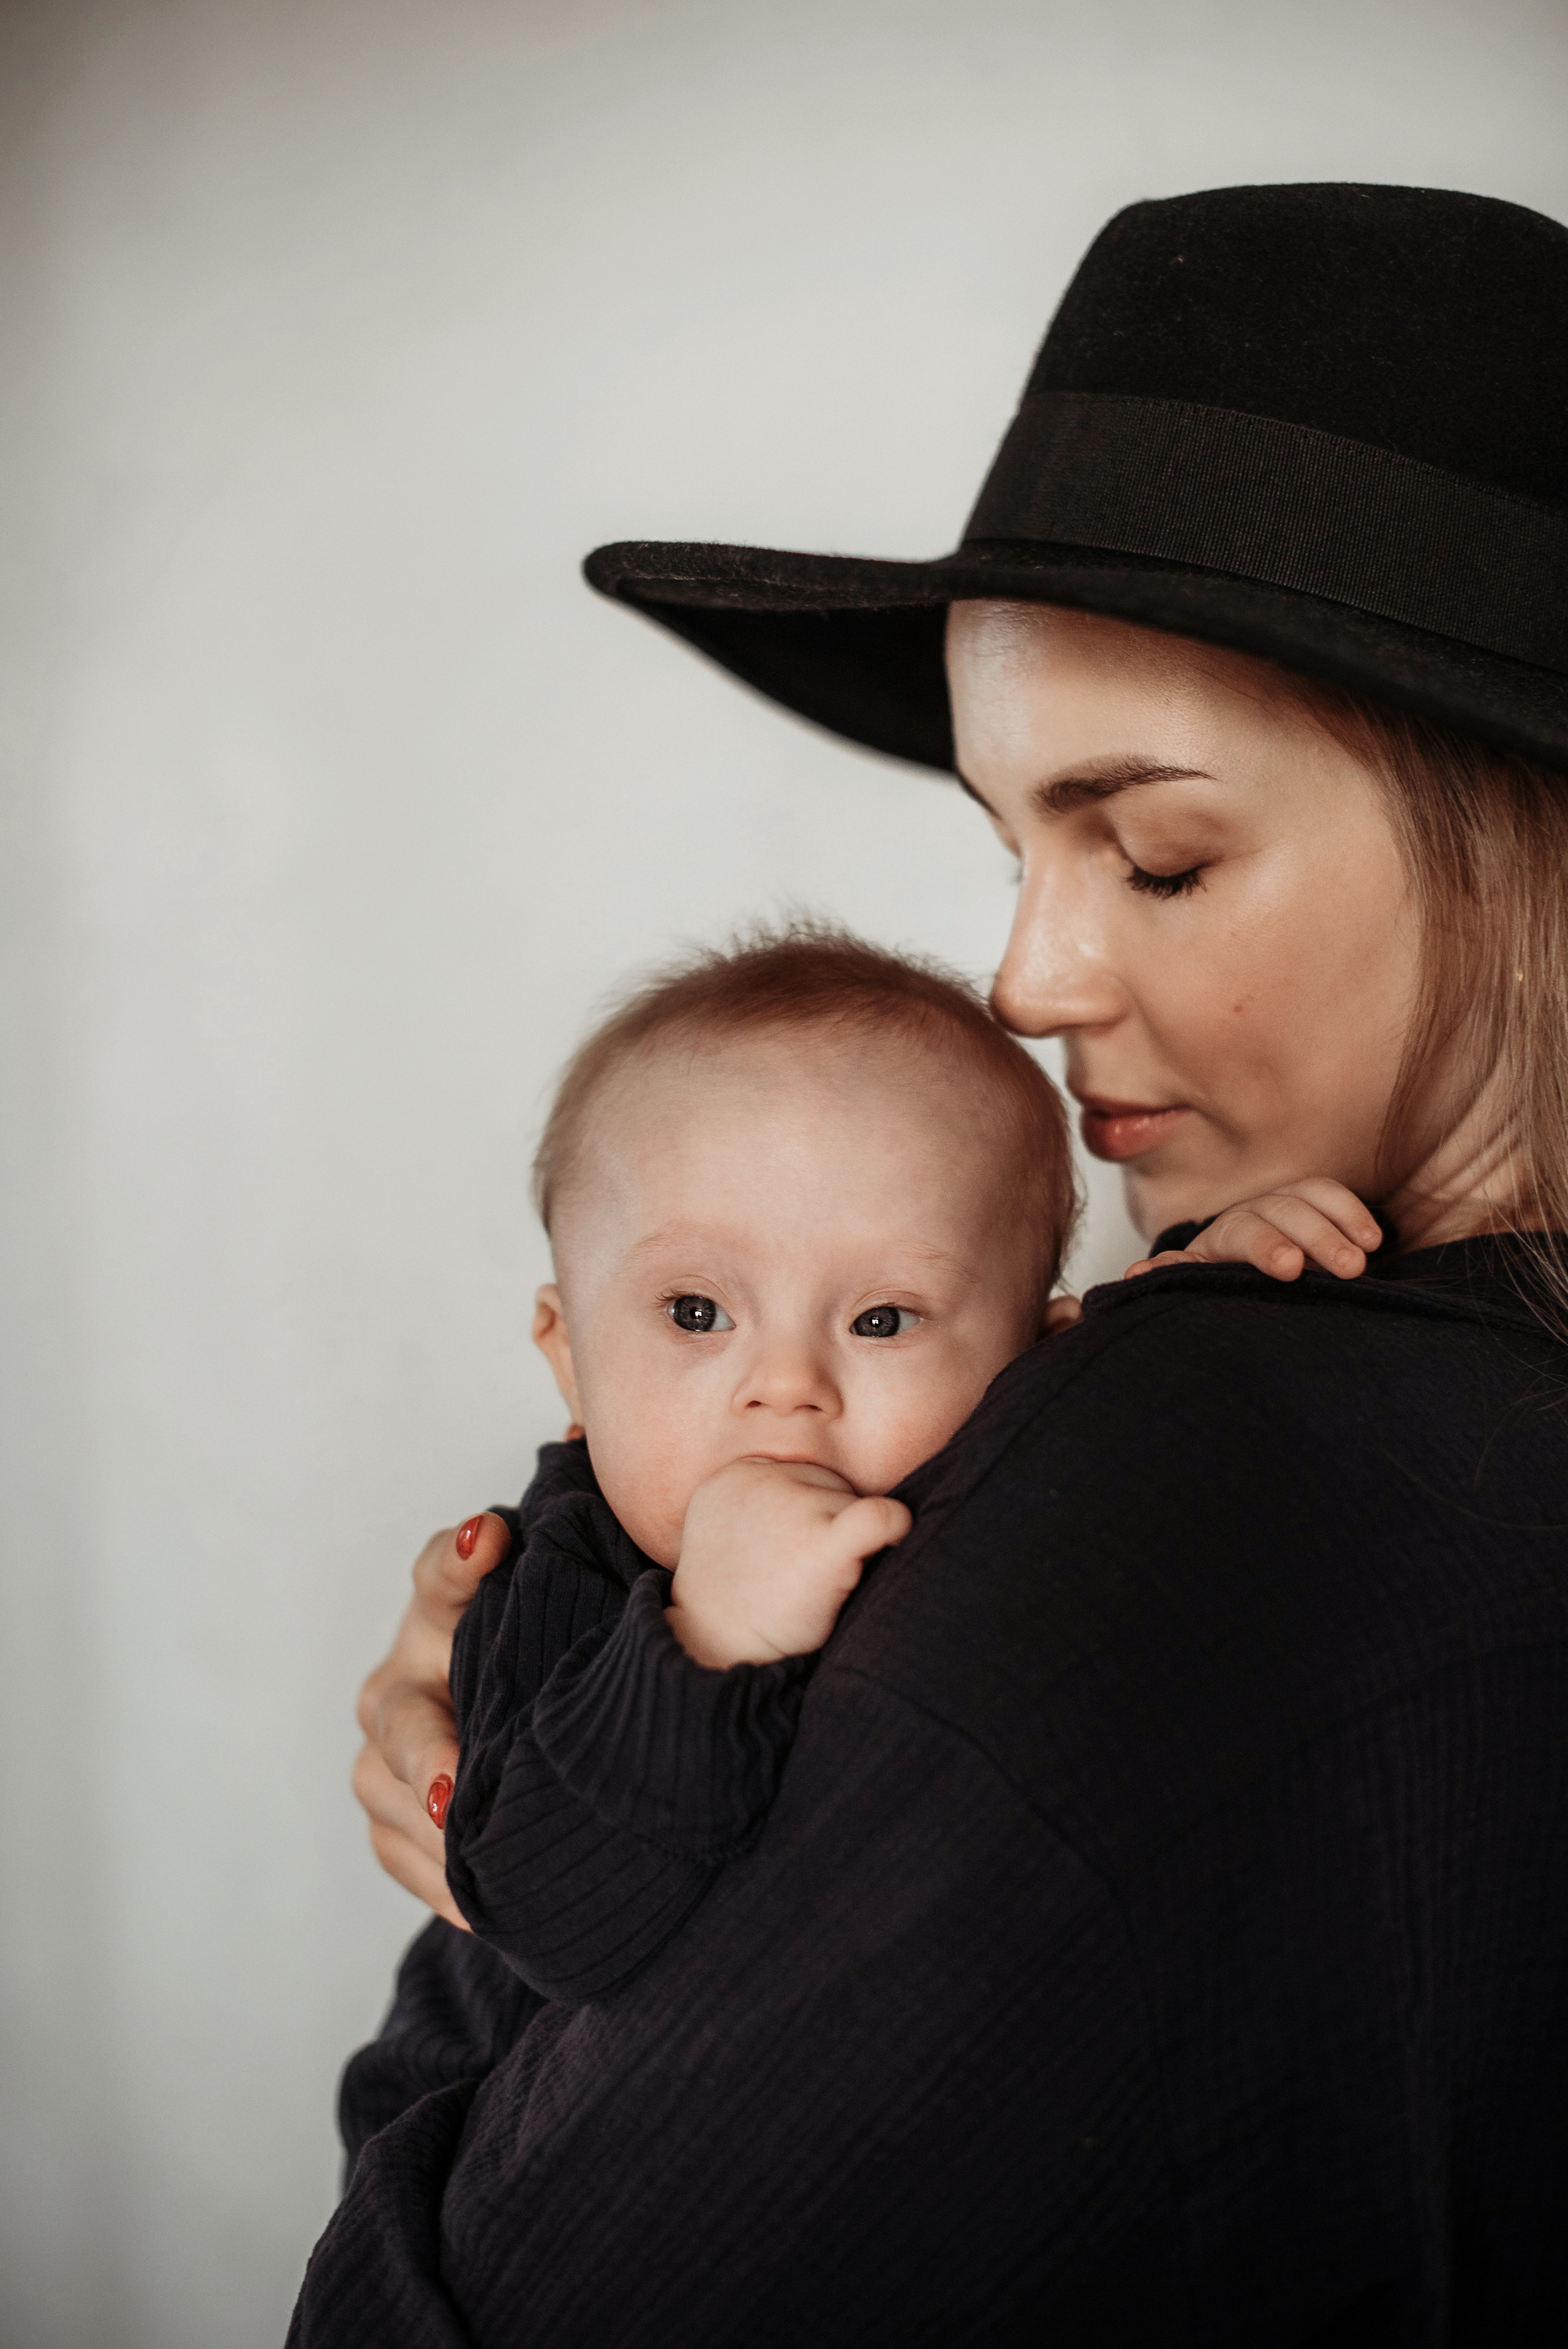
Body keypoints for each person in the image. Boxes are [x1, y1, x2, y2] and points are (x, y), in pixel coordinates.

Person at [295, 183, 1568, 2343]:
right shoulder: (1264, 1391)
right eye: (1009, 849)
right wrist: (587, 1660)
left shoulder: (1187, 1457)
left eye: (1157, 855)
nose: (1027, 979)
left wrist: (498, 1915)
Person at [339, 922, 1380, 2157]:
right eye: (694, 1311)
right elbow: (552, 1924)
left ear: (1039, 1364)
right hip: (468, 2151)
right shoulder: (561, 1576)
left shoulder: (996, 1471)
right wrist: (702, 1641)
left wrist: (1203, 1299)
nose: (785, 1386)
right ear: (570, 1359)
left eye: (883, 1319)